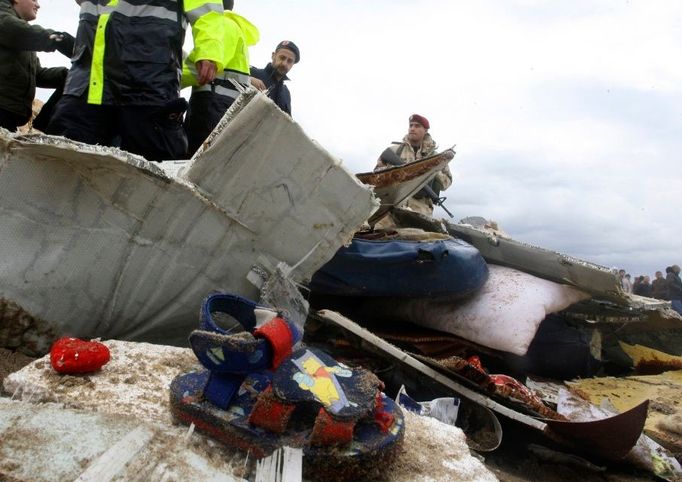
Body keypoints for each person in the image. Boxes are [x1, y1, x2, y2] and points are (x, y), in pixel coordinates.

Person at [46, 0, 225, 161]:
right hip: (87, 85)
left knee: (152, 170)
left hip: (147, 87)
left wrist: (209, 50)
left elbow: (208, 14)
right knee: (61, 160)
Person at [183, 0, 259, 156]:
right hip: (223, 108)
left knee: (195, 161)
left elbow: (200, 68)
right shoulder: (235, 29)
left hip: (211, 108)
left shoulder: (222, 26)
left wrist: (163, 78)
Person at [0, 0, 73, 132]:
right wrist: (59, 39)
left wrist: (67, 75)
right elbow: (19, 31)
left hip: (8, 118)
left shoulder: (22, 35)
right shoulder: (6, 23)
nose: (38, 5)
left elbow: (37, 75)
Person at [374, 113, 452, 216]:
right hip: (389, 211)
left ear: (425, 131)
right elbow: (375, 177)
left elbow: (446, 183)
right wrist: (395, 173)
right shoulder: (394, 151)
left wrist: (432, 169)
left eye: (417, 126)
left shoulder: (435, 157)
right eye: (411, 125)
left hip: (420, 212)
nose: (412, 129)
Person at [250, 40, 299, 116]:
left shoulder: (286, 93)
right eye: (282, 58)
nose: (284, 64)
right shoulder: (251, 72)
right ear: (273, 55)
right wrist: (247, 80)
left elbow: (286, 123)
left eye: (290, 61)